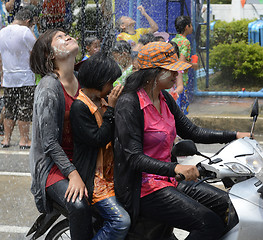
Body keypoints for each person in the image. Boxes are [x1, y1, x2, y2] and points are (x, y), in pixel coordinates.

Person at [114, 41, 251, 240]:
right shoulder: (129, 104)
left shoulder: (164, 99)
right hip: (144, 188)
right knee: (209, 224)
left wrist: (234, 136)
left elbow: (192, 131)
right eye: (172, 71)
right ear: (154, 73)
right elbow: (134, 158)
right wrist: (176, 168)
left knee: (232, 206)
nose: (177, 75)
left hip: (170, 181)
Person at [29, 29, 93, 239]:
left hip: (82, 159)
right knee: (80, 206)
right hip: (53, 167)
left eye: (67, 34)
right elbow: (48, 142)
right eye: (59, 37)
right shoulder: (48, 87)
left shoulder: (82, 79)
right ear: (51, 55)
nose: (67, 37)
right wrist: (73, 175)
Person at [70, 52, 131, 239]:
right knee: (121, 221)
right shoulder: (80, 107)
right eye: (110, 83)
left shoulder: (101, 100)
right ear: (99, 81)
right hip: (95, 179)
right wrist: (111, 109)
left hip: (112, 174)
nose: (112, 87)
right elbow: (99, 138)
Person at [0, 8, 36, 149]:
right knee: (24, 109)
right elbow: (37, 49)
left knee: (9, 108)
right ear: (28, 21)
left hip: (8, 78)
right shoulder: (25, 31)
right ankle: (24, 140)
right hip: (25, 77)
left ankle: (6, 140)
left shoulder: (2, 32)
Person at [171, 15, 198, 115]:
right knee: (182, 108)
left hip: (172, 76)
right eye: (191, 25)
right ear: (187, 27)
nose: (192, 27)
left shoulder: (173, 40)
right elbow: (181, 63)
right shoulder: (185, 42)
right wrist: (193, 65)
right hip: (181, 79)